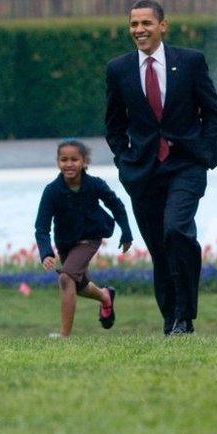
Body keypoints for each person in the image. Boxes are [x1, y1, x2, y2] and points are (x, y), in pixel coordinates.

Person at [105, 0, 217, 335]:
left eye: (146, 23)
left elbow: (213, 115)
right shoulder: (118, 69)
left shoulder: (190, 62)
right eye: (133, 25)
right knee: (159, 247)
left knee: (176, 230)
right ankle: (171, 318)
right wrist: (124, 160)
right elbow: (114, 125)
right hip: (142, 172)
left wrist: (204, 149)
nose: (139, 30)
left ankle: (185, 316)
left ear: (163, 25)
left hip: (185, 165)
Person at [35, 140, 133, 338]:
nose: (69, 164)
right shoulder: (52, 191)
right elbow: (41, 227)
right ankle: (105, 296)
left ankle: (64, 335)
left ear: (84, 161)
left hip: (90, 237)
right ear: (57, 162)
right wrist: (46, 252)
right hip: (66, 243)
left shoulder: (95, 185)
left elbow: (117, 206)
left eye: (74, 159)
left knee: (66, 277)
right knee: (77, 285)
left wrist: (126, 232)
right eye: (64, 159)